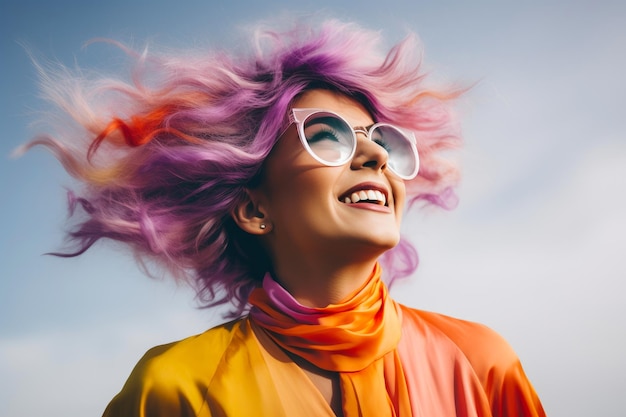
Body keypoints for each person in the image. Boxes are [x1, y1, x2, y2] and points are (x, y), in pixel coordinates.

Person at [24, 18, 546, 417]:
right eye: (328, 137)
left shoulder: (480, 363)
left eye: (382, 142)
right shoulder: (178, 387)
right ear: (254, 209)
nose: (376, 158)